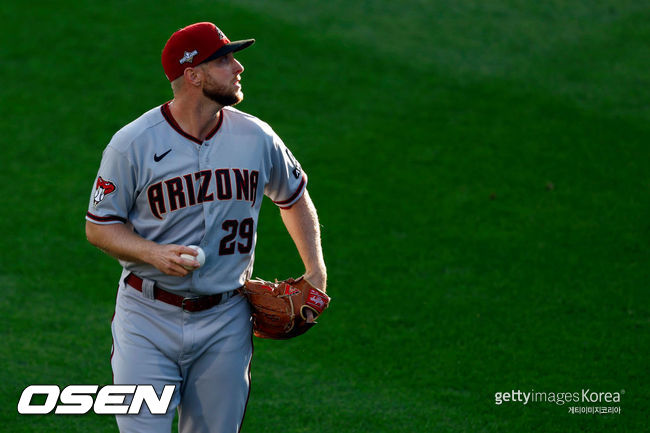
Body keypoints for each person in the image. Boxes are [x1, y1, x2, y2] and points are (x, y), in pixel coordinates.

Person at [85, 21, 327, 433]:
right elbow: (99, 226)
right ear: (193, 75)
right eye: (224, 60)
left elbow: (293, 196)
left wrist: (315, 272)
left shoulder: (256, 137)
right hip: (147, 318)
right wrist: (152, 252)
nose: (238, 68)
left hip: (226, 319)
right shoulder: (133, 144)